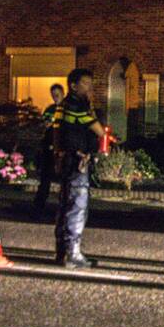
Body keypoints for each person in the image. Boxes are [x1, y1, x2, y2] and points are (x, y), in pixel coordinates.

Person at [52, 68, 110, 268]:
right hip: (78, 161)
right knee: (77, 206)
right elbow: (98, 130)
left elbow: (56, 131)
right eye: (85, 83)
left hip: (68, 159)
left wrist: (58, 154)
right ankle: (72, 253)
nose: (89, 87)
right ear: (73, 85)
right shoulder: (77, 106)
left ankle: (61, 251)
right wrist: (102, 131)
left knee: (65, 205)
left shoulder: (62, 106)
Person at [32, 83, 65, 215]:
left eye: (57, 94)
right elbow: (43, 124)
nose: (55, 97)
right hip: (49, 147)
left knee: (64, 178)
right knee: (45, 177)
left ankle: (64, 205)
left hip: (63, 149)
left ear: (63, 93)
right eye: (53, 95)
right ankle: (39, 205)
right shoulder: (50, 109)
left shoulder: (67, 109)